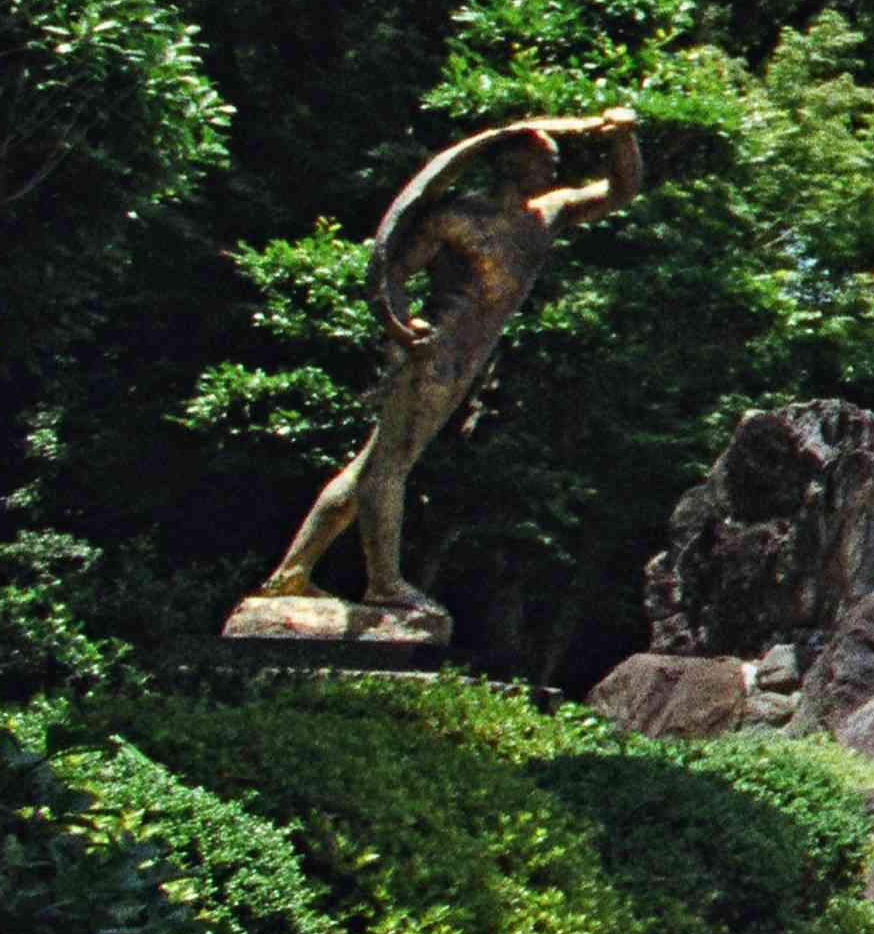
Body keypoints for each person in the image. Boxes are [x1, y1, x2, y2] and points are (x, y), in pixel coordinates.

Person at [244, 108, 647, 629]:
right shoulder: (456, 217)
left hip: (468, 356)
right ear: (510, 166)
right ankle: (384, 584)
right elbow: (395, 270)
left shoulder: (547, 214)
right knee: (390, 463)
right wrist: (399, 322)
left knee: (373, 463)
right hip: (433, 352)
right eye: (542, 161)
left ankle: (290, 575)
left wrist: (622, 136)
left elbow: (621, 190)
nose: (552, 171)